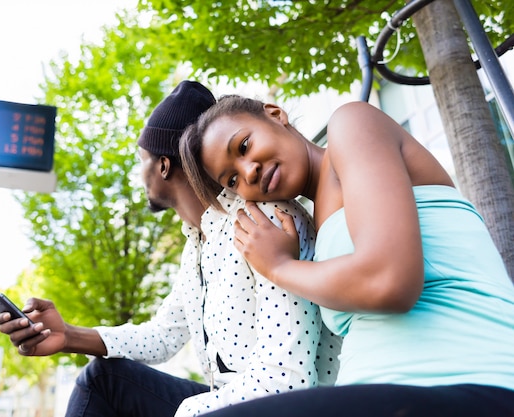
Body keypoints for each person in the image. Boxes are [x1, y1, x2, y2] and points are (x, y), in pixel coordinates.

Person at [0, 81, 341, 417]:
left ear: (162, 165)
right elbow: (163, 335)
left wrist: (188, 411)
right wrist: (67, 335)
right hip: (228, 400)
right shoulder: (197, 244)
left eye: (140, 159)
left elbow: (286, 382)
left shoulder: (260, 222)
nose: (138, 173)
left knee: (114, 385)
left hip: (284, 403)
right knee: (104, 379)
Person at [178, 95, 514, 416]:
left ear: (275, 114)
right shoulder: (315, 229)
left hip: (468, 380)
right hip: (379, 390)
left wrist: (280, 267)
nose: (248, 172)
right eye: (232, 179)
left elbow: (390, 282)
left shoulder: (352, 124)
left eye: (244, 146)